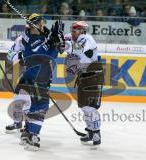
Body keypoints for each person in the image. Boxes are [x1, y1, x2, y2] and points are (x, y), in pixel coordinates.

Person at [7, 13, 64, 151]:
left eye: (40, 23)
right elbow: (11, 54)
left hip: (42, 75)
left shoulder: (49, 36)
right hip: (33, 75)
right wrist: (21, 57)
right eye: (35, 24)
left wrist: (60, 41)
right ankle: (31, 133)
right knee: (33, 103)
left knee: (36, 105)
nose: (39, 25)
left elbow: (61, 49)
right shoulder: (24, 38)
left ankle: (28, 131)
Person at [64, 21, 104, 147]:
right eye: (72, 30)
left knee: (90, 107)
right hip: (83, 76)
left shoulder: (88, 39)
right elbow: (65, 43)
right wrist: (59, 41)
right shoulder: (73, 38)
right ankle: (91, 131)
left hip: (94, 75)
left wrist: (67, 45)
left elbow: (82, 51)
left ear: (82, 31)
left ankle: (96, 132)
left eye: (75, 30)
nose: (72, 32)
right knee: (83, 106)